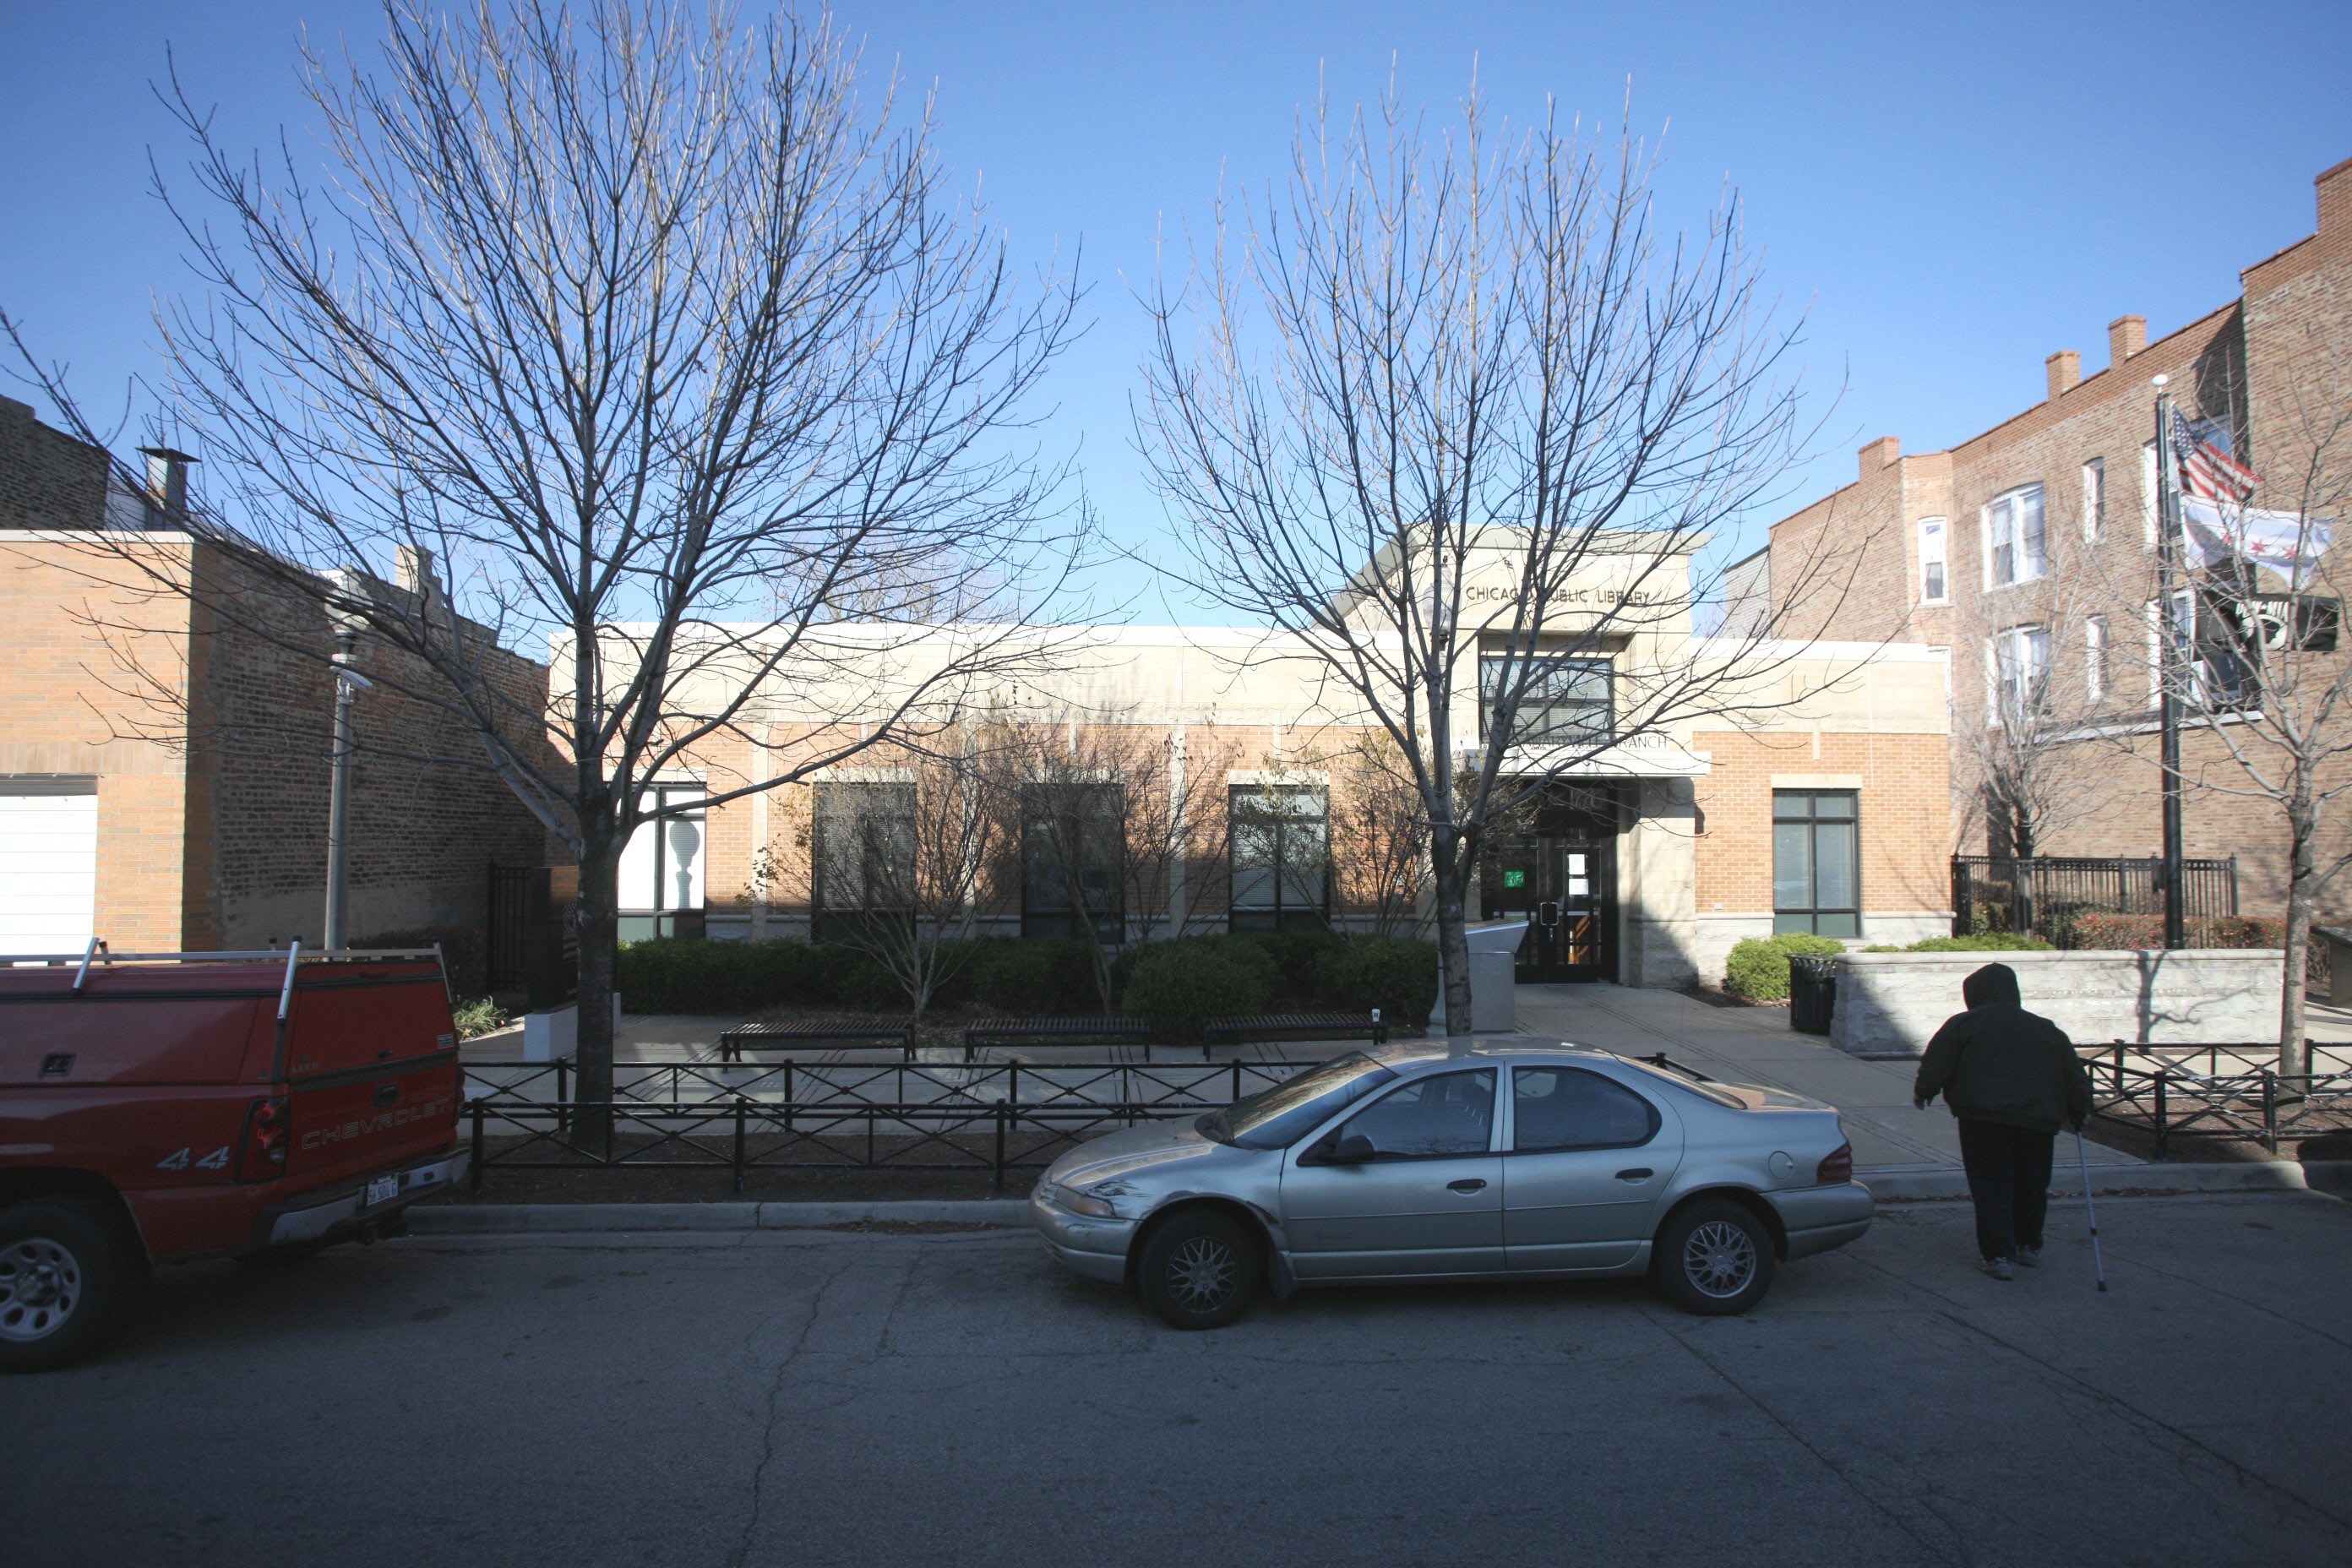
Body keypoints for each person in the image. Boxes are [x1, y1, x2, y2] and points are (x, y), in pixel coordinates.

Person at [1913, 962, 2093, 1280]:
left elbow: (1937, 1061)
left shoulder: (1964, 1025)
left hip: (1982, 1117)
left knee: (1991, 1184)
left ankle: (1998, 1254)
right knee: (2032, 1182)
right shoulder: (2046, 1029)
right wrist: (2081, 1110)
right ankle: (2029, 1244)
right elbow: (2074, 1076)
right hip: (2037, 1118)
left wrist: (1925, 1091)